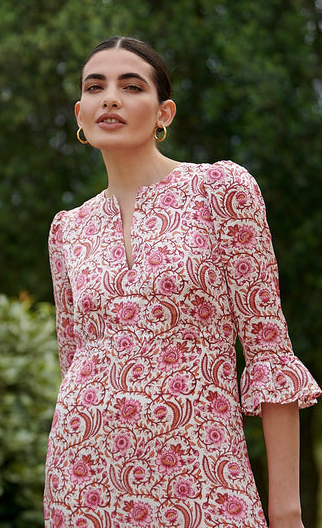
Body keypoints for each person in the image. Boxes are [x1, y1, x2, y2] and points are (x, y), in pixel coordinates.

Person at [44, 36, 321, 528]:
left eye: (131, 86)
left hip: (203, 476)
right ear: (80, 114)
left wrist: (286, 510)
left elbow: (269, 354)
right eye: (95, 87)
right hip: (83, 482)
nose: (110, 98)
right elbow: (73, 361)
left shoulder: (220, 191)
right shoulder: (68, 228)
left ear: (164, 112)